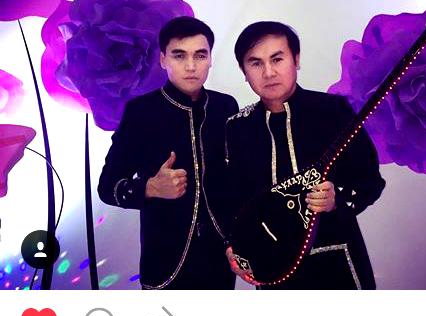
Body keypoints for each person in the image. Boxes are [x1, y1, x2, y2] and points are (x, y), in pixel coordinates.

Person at [225, 21, 385, 289]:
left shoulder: (333, 111)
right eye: (255, 63)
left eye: (277, 59)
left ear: (296, 60)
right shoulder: (238, 127)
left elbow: (370, 181)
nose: (268, 72)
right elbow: (236, 199)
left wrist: (337, 198)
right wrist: (235, 246)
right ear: (243, 71)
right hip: (272, 265)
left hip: (337, 259)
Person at [98, 17, 238, 289]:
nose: (191, 66)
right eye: (179, 55)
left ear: (210, 59)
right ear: (163, 60)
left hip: (220, 258)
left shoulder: (225, 106)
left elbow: (235, 181)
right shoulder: (141, 112)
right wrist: (149, 188)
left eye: (200, 55)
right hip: (165, 261)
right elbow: (107, 187)